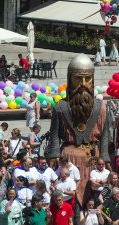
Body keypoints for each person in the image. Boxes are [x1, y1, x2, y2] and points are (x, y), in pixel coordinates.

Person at [47, 54, 110, 207]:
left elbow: (104, 135)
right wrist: (54, 153)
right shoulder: (61, 107)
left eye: (87, 79)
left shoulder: (101, 107)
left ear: (92, 79)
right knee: (69, 194)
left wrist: (104, 156)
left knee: (92, 193)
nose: (83, 84)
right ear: (70, 79)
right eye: (78, 79)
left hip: (92, 158)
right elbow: (54, 134)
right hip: (69, 157)